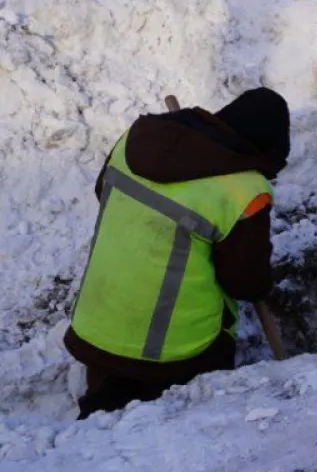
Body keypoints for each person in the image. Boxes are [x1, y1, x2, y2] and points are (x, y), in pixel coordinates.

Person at [65, 88, 289, 419]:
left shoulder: (136, 139)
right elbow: (245, 284)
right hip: (175, 355)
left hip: (96, 330)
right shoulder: (243, 191)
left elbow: (104, 192)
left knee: (101, 427)